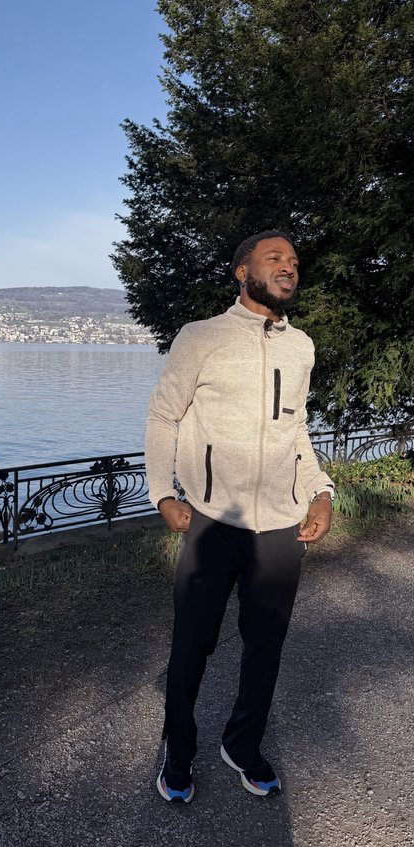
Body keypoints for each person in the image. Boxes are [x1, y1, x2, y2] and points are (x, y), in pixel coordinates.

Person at [145, 230, 334, 804]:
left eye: (294, 261)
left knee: (266, 645)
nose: (289, 268)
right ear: (242, 272)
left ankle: (242, 745)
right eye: (275, 259)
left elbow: (295, 430)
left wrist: (320, 491)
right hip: (212, 520)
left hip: (280, 525)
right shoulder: (201, 338)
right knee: (192, 645)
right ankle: (178, 755)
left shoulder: (300, 347)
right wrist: (163, 493)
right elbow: (163, 417)